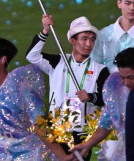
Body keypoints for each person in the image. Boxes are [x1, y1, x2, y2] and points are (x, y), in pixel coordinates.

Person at [0, 37, 68, 161]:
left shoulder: (22, 87)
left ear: (3, 59)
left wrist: (62, 156)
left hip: (29, 150)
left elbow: (40, 125)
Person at [25, 16, 109, 160]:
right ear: (72, 40)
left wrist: (90, 97)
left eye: (92, 39)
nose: (89, 44)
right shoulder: (58, 61)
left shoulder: (101, 69)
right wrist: (45, 31)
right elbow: (31, 56)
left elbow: (105, 99)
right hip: (56, 129)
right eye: (84, 38)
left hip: (82, 132)